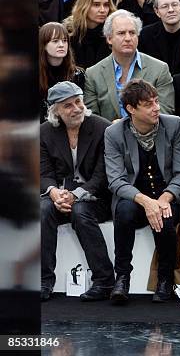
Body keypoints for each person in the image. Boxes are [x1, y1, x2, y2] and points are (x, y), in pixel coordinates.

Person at [104, 79, 180, 303]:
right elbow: (116, 180)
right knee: (123, 211)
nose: (156, 107)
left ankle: (165, 278)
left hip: (168, 194)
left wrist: (163, 198)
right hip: (134, 196)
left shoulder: (173, 125)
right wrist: (145, 201)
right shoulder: (114, 133)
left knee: (166, 214)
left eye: (156, 101)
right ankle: (122, 278)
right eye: (148, 104)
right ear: (131, 109)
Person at [40, 81, 115, 302]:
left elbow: (103, 176)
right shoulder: (44, 132)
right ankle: (44, 281)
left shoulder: (103, 128)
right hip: (60, 196)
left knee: (81, 211)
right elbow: (43, 172)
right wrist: (54, 193)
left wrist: (75, 195)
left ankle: (104, 280)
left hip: (96, 197)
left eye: (78, 102)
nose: (76, 108)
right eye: (68, 105)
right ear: (55, 111)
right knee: (42, 209)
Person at [84, 9, 175, 121]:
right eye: (121, 33)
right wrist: (113, 130)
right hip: (108, 136)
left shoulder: (159, 69)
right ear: (109, 38)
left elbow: (165, 111)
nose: (128, 38)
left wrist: (133, 126)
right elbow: (92, 118)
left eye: (132, 33)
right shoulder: (93, 74)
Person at [40, 22, 86, 122]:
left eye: (64, 41)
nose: (61, 45)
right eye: (55, 41)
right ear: (43, 45)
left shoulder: (78, 74)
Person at [63, 0, 116, 69]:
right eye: (96, 5)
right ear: (84, 6)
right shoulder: (68, 33)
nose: (102, 10)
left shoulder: (114, 33)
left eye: (106, 5)